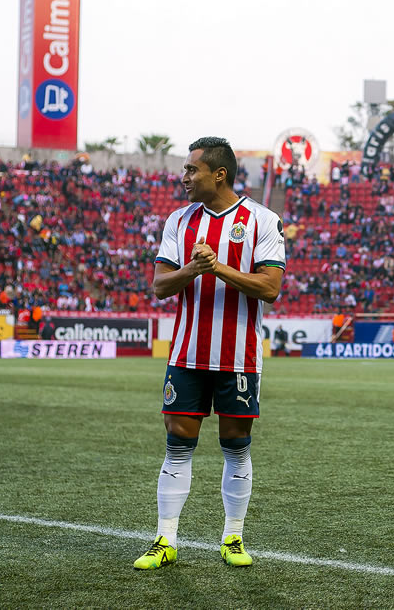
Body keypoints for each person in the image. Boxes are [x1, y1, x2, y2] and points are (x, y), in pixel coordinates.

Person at [134, 137, 285, 570]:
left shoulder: (262, 220)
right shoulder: (179, 221)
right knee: (177, 445)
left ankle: (232, 537)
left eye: (191, 170)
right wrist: (192, 269)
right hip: (185, 354)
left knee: (236, 445)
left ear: (219, 173)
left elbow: (270, 289)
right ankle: (165, 540)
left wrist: (217, 266)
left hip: (238, 357)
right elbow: (161, 286)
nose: (183, 178)